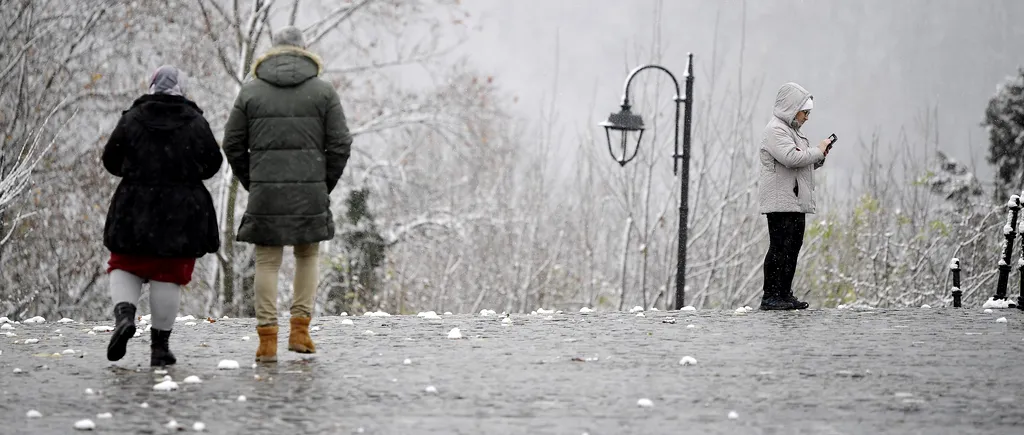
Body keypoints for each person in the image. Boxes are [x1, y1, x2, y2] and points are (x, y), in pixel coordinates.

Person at [222, 26, 353, 362]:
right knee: (307, 256)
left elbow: (232, 143)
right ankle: (300, 332)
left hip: (266, 191)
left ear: (273, 52)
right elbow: (340, 143)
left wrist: (255, 181)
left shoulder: (251, 92)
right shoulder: (323, 92)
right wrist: (323, 182)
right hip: (310, 191)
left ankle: (267, 341)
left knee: (267, 260)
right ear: (304, 51)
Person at [102, 65, 223, 366]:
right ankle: (159, 348)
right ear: (181, 88)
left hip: (134, 204)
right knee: (168, 272)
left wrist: (136, 174)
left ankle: (125, 316)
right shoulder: (195, 121)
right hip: (180, 209)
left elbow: (110, 158)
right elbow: (213, 162)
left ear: (152, 86)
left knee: (126, 262)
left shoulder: (131, 118)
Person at [756, 82, 831, 311]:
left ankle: (784, 294)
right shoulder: (775, 130)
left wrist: (818, 157)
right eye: (804, 112)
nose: (807, 117)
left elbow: (799, 162)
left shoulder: (792, 132)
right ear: (791, 108)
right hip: (781, 202)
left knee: (792, 246)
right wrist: (816, 151)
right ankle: (771, 296)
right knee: (780, 246)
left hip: (793, 200)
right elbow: (791, 158)